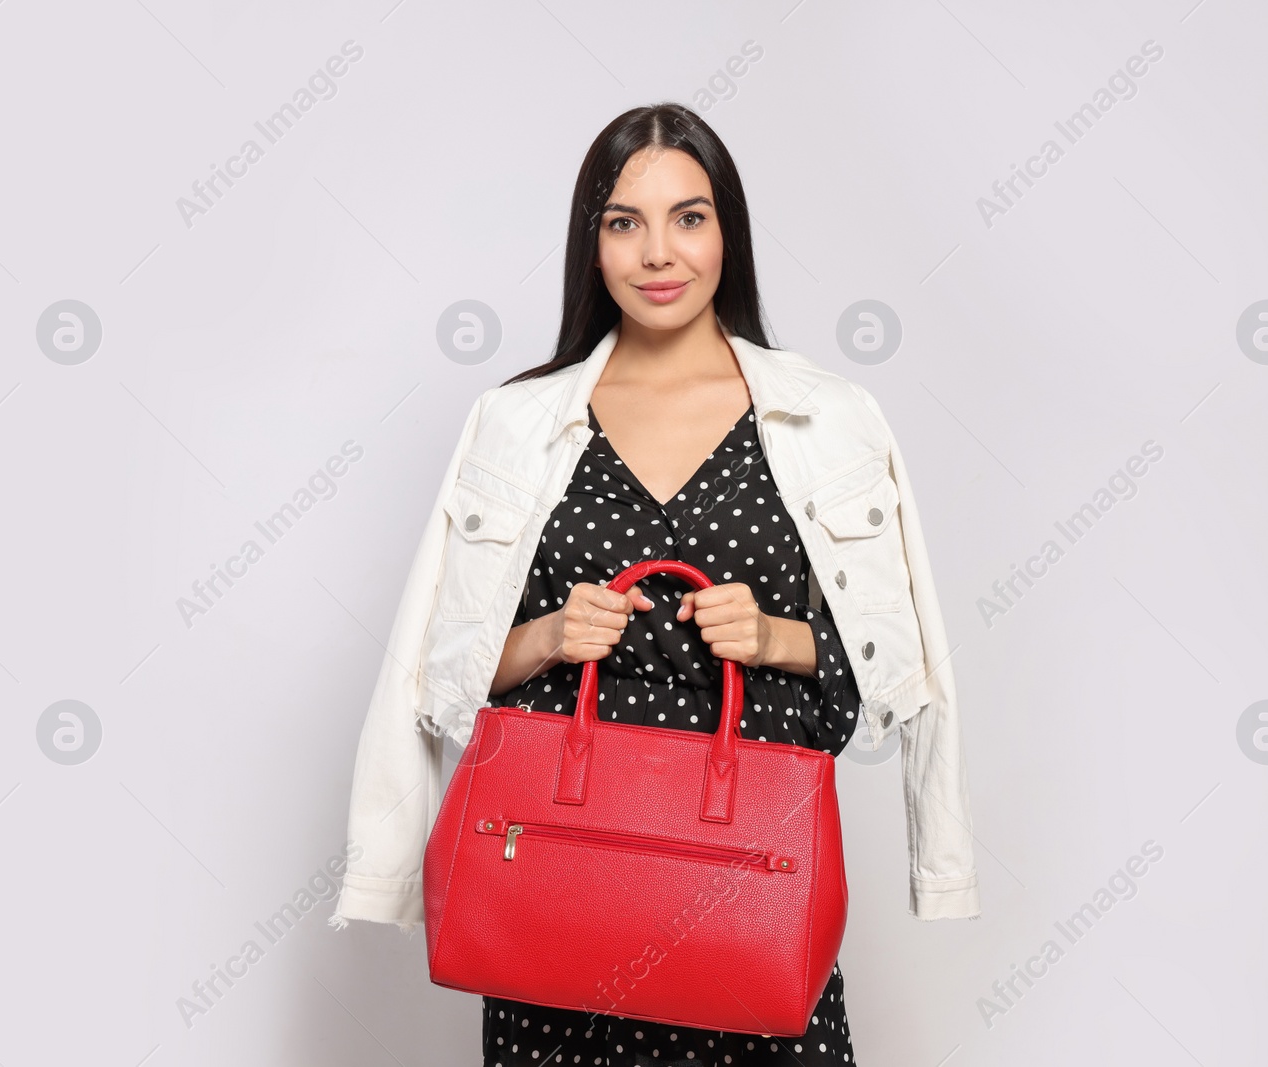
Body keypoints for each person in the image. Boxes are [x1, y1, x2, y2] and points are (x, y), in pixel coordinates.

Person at [331, 101, 980, 1067]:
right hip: (557, 889)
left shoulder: (827, 420)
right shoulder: (517, 422)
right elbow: (442, 675)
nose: (657, 253)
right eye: (624, 222)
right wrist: (550, 635)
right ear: (591, 246)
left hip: (749, 890)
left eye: (689, 216)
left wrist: (775, 638)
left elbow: (899, 671)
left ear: (729, 235)